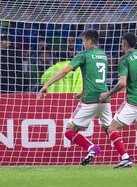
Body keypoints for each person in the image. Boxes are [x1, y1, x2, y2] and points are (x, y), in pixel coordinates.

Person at [37, 29, 112, 166]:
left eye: (83, 41)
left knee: (69, 131)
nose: (82, 44)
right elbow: (96, 78)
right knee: (110, 129)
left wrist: (46, 84)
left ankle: (91, 148)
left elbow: (65, 71)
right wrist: (83, 91)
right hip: (104, 97)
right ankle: (125, 156)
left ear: (89, 41)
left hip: (89, 100)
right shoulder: (103, 55)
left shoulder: (84, 55)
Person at [100, 33, 137, 168]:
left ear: (125, 44)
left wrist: (107, 94)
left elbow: (122, 83)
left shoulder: (125, 59)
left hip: (134, 101)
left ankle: (126, 158)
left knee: (112, 128)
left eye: (121, 43)